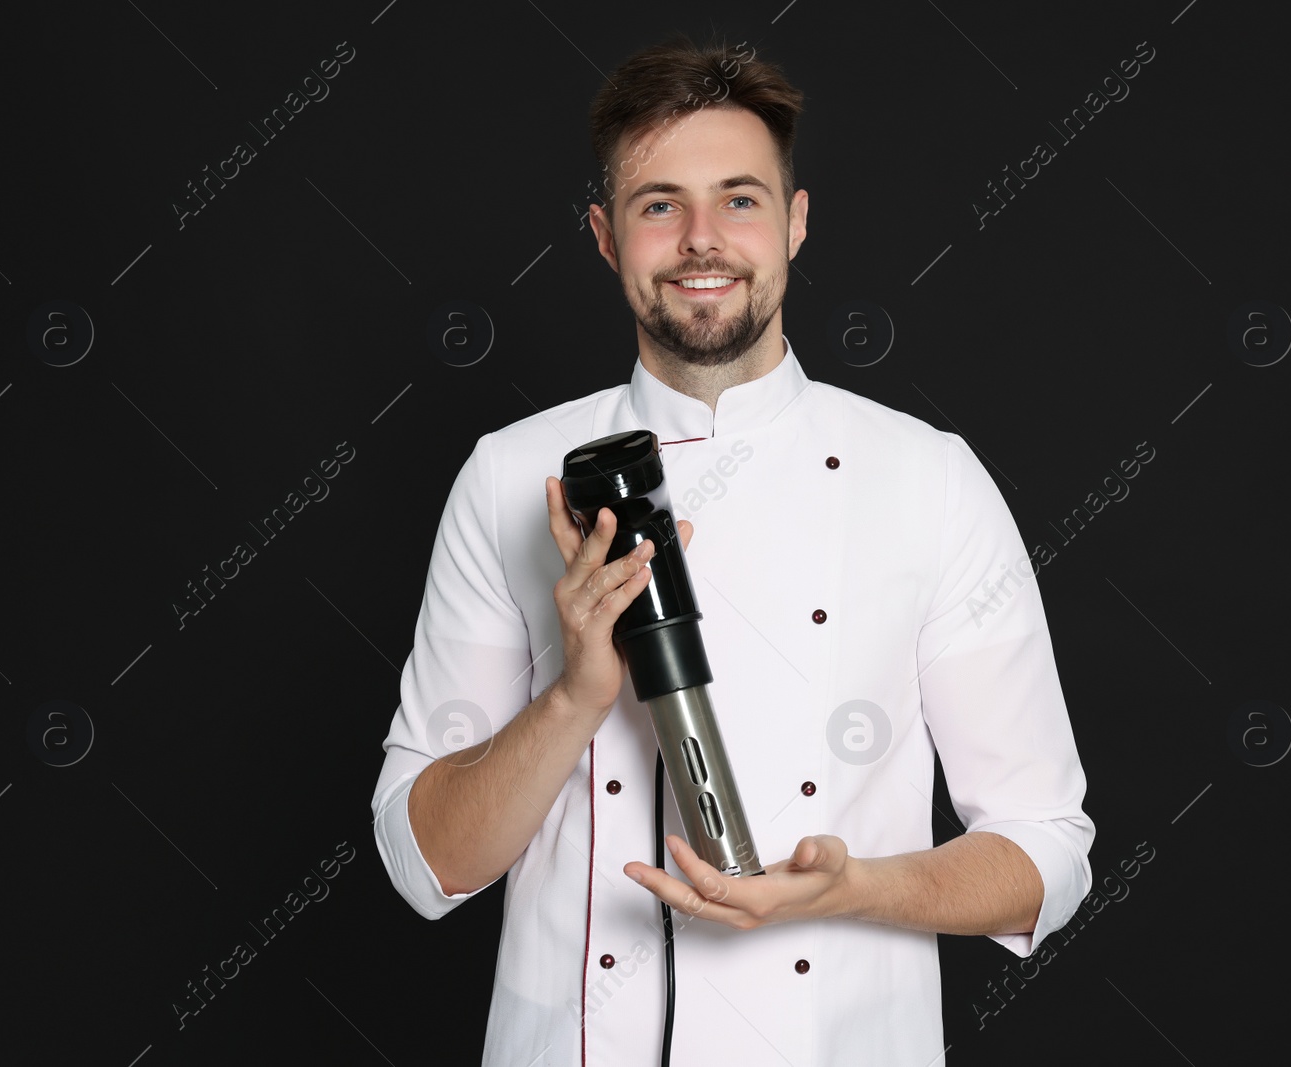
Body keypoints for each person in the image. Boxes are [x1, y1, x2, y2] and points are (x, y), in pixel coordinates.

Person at [371, 33, 1094, 1066]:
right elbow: (422, 859)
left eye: (740, 199)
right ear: (605, 237)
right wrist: (577, 690)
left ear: (794, 224)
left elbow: (1046, 851)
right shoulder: (506, 475)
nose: (701, 238)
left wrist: (853, 888)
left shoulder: (926, 477)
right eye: (658, 204)